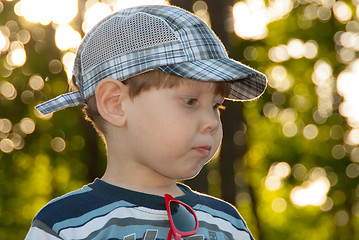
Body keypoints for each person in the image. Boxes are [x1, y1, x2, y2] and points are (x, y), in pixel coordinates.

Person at [26, 5, 267, 240]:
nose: (212, 123)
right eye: (190, 101)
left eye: (216, 106)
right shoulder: (67, 225)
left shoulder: (226, 224)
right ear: (115, 104)